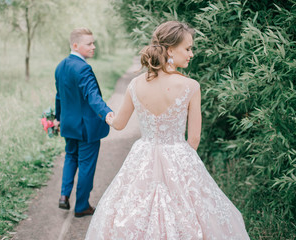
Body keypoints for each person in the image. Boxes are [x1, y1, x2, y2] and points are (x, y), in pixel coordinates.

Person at [85, 21, 250, 239]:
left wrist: (107, 114)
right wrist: (186, 169)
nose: (191, 54)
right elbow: (194, 138)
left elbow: (119, 124)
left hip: (143, 155)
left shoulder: (135, 84)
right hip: (179, 155)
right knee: (193, 214)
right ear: (170, 50)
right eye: (188, 48)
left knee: (131, 210)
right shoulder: (191, 86)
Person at [54, 28, 114, 218]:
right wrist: (108, 114)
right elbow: (93, 97)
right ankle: (81, 206)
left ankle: (64, 196)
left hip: (68, 125)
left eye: (93, 43)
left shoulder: (60, 66)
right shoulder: (83, 68)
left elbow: (59, 97)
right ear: (75, 45)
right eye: (89, 43)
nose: (93, 46)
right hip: (86, 128)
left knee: (71, 157)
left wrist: (57, 118)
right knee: (86, 165)